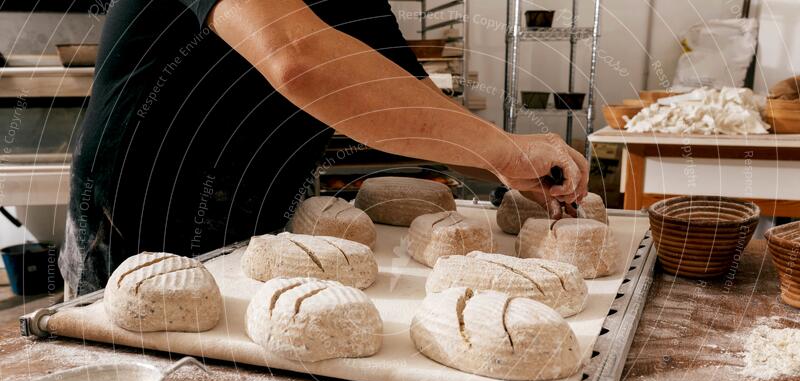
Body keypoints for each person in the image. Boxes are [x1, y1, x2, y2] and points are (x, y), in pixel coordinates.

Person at [59, 0, 589, 296]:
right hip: (138, 211)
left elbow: (415, 100)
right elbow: (295, 55)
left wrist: (508, 159)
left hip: (252, 212)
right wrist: (499, 148)